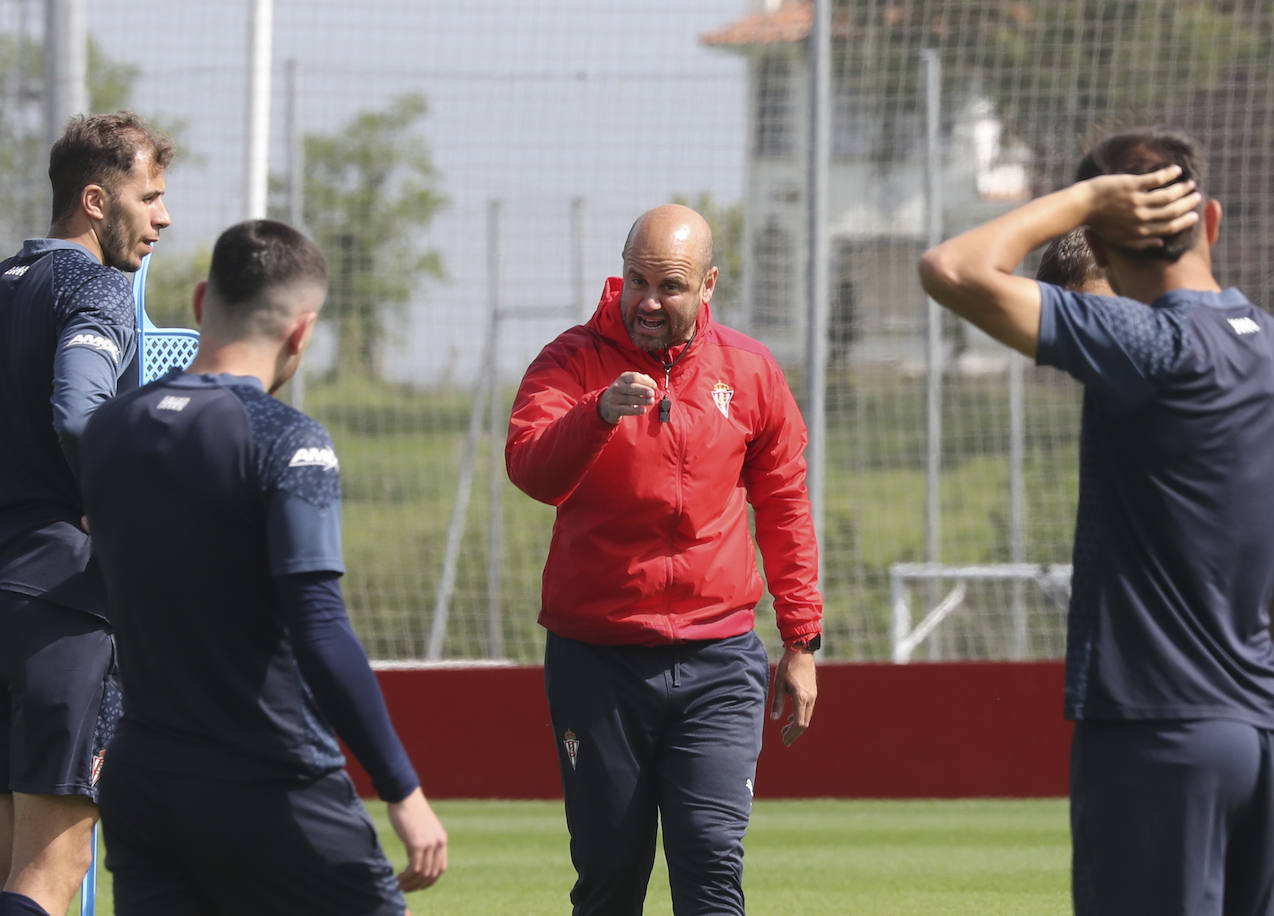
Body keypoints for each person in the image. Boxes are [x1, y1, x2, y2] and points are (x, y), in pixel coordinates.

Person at [920, 128, 1274, 915]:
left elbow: (953, 268)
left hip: (1159, 737)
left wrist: (1082, 203)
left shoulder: (1149, 344)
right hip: (1268, 739)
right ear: (1210, 220)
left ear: (1100, 248)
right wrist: (1251, 705)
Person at [79, 219, 448, 915]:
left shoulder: (109, 433)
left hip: (144, 781)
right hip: (272, 781)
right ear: (302, 333)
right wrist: (403, 790)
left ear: (197, 304)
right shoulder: (286, 439)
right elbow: (319, 629)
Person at [506, 203, 823, 915]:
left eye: (670, 285)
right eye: (637, 279)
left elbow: (783, 506)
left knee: (712, 864)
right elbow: (530, 470)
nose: (648, 300)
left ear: (709, 285)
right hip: (599, 662)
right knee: (611, 877)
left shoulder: (750, 371)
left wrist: (802, 641)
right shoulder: (570, 361)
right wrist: (597, 414)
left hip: (719, 660)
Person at [0, 111, 172, 916]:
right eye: (151, 197)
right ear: (98, 201)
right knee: (49, 867)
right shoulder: (95, 289)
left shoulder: (6, 285)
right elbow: (79, 414)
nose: (164, 217)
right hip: (59, 607)